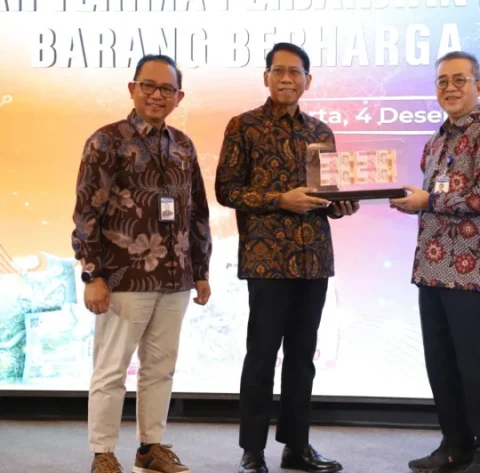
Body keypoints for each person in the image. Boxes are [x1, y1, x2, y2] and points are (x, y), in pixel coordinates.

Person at [215, 42, 358, 473]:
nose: (286, 79)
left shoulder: (321, 132)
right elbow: (227, 190)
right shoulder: (244, 126)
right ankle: (252, 450)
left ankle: (297, 447)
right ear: (266, 77)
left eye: (295, 72)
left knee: (302, 358)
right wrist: (280, 199)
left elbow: (328, 198)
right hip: (266, 260)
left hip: (314, 259)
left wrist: (343, 205)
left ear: (307, 81)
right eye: (278, 71)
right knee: (261, 356)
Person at [72, 54, 213, 473]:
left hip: (176, 278)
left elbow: (197, 212)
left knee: (160, 369)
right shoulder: (106, 141)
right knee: (111, 369)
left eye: (166, 89)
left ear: (178, 97)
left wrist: (201, 271)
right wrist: (92, 274)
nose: (156, 95)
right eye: (148, 86)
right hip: (123, 277)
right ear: (132, 89)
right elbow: (87, 212)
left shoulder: (183, 145)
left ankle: (151, 447)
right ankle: (103, 453)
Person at [390, 50, 480, 473]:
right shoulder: (435, 141)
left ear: (478, 86)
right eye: (442, 81)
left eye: (459, 79)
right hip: (431, 269)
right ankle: (454, 446)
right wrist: (414, 201)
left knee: (477, 364)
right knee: (441, 363)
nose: (450, 87)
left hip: (473, 272)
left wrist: (427, 201)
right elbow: (438, 200)